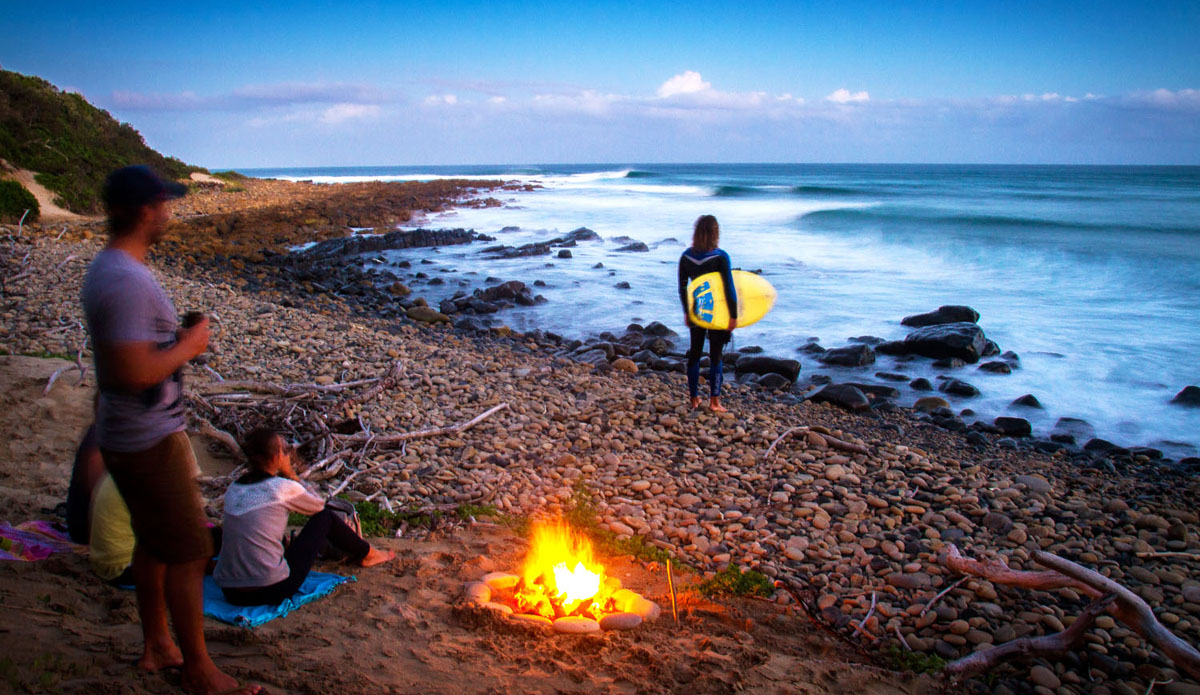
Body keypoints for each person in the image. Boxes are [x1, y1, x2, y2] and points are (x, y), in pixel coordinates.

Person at [81, 165, 260, 695]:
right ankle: (200, 672)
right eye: (165, 204)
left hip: (130, 431)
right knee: (190, 551)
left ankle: (159, 644)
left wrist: (172, 340)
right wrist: (190, 346)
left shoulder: (112, 268)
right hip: (145, 439)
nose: (169, 213)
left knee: (156, 542)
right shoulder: (126, 279)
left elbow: (129, 356)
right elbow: (128, 372)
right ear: (145, 211)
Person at [214, 429, 392, 606]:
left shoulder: (234, 489)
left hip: (230, 592)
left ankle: (367, 553)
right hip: (270, 589)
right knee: (324, 518)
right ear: (276, 457)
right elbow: (319, 504)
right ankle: (369, 553)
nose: (288, 454)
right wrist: (290, 474)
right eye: (284, 450)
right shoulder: (280, 488)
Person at [678, 214, 738, 412]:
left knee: (694, 355)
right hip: (717, 312)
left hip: (697, 310)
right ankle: (714, 402)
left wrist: (687, 312)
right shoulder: (721, 257)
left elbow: (682, 287)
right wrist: (734, 315)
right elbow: (729, 289)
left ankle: (694, 399)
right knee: (716, 356)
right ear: (715, 234)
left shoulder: (686, 257)